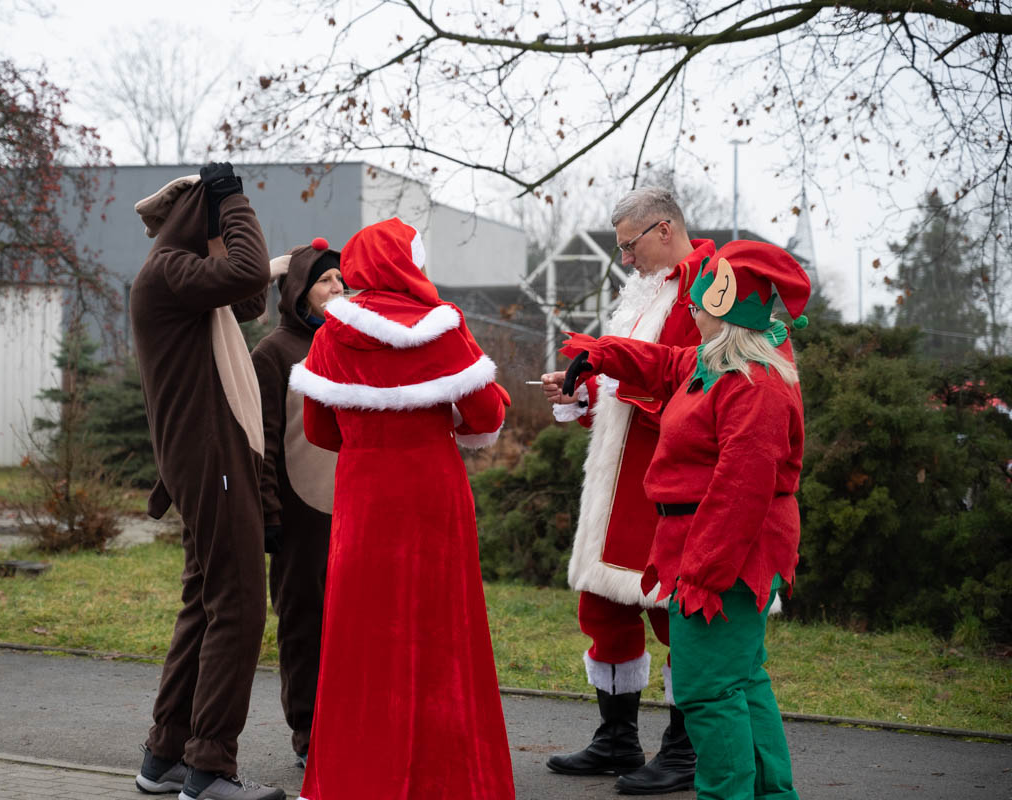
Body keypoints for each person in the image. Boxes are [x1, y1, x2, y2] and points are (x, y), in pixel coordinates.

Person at [555, 239, 808, 800]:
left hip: (720, 557)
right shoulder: (714, 364)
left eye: (699, 304)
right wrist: (603, 353)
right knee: (741, 683)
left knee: (709, 690)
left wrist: (703, 573)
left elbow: (741, 492)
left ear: (724, 309)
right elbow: (665, 363)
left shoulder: (753, 385)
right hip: (695, 544)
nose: (689, 312)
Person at [288, 217, 515, 800]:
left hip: (365, 498)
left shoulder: (331, 335)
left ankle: (358, 778)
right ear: (406, 262)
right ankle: (449, 780)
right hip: (433, 495)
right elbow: (487, 418)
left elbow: (319, 430)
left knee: (361, 638)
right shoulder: (445, 329)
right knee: (443, 633)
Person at [541, 187, 713, 793]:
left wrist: (610, 364)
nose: (626, 262)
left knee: (676, 612)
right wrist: (583, 390)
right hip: (620, 477)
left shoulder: (711, 287)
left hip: (674, 476)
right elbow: (626, 384)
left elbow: (698, 378)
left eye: (630, 247)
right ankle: (617, 739)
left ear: (663, 230)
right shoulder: (646, 292)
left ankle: (688, 747)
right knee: (606, 606)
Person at [128, 163, 283, 800]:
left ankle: (166, 755)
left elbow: (246, 297)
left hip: (207, 456)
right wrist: (233, 201)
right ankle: (210, 768)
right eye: (213, 223)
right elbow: (248, 275)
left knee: (205, 601)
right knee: (240, 605)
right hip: (210, 456)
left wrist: (228, 224)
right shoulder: (168, 271)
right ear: (201, 219)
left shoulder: (183, 277)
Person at [249, 236, 344, 768]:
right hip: (299, 511)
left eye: (342, 280)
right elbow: (260, 438)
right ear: (300, 291)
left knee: (349, 623)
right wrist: (268, 513)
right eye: (327, 280)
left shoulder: (351, 344)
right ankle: (308, 732)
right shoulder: (274, 352)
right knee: (303, 622)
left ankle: (349, 721)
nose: (337, 288)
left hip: (353, 508)